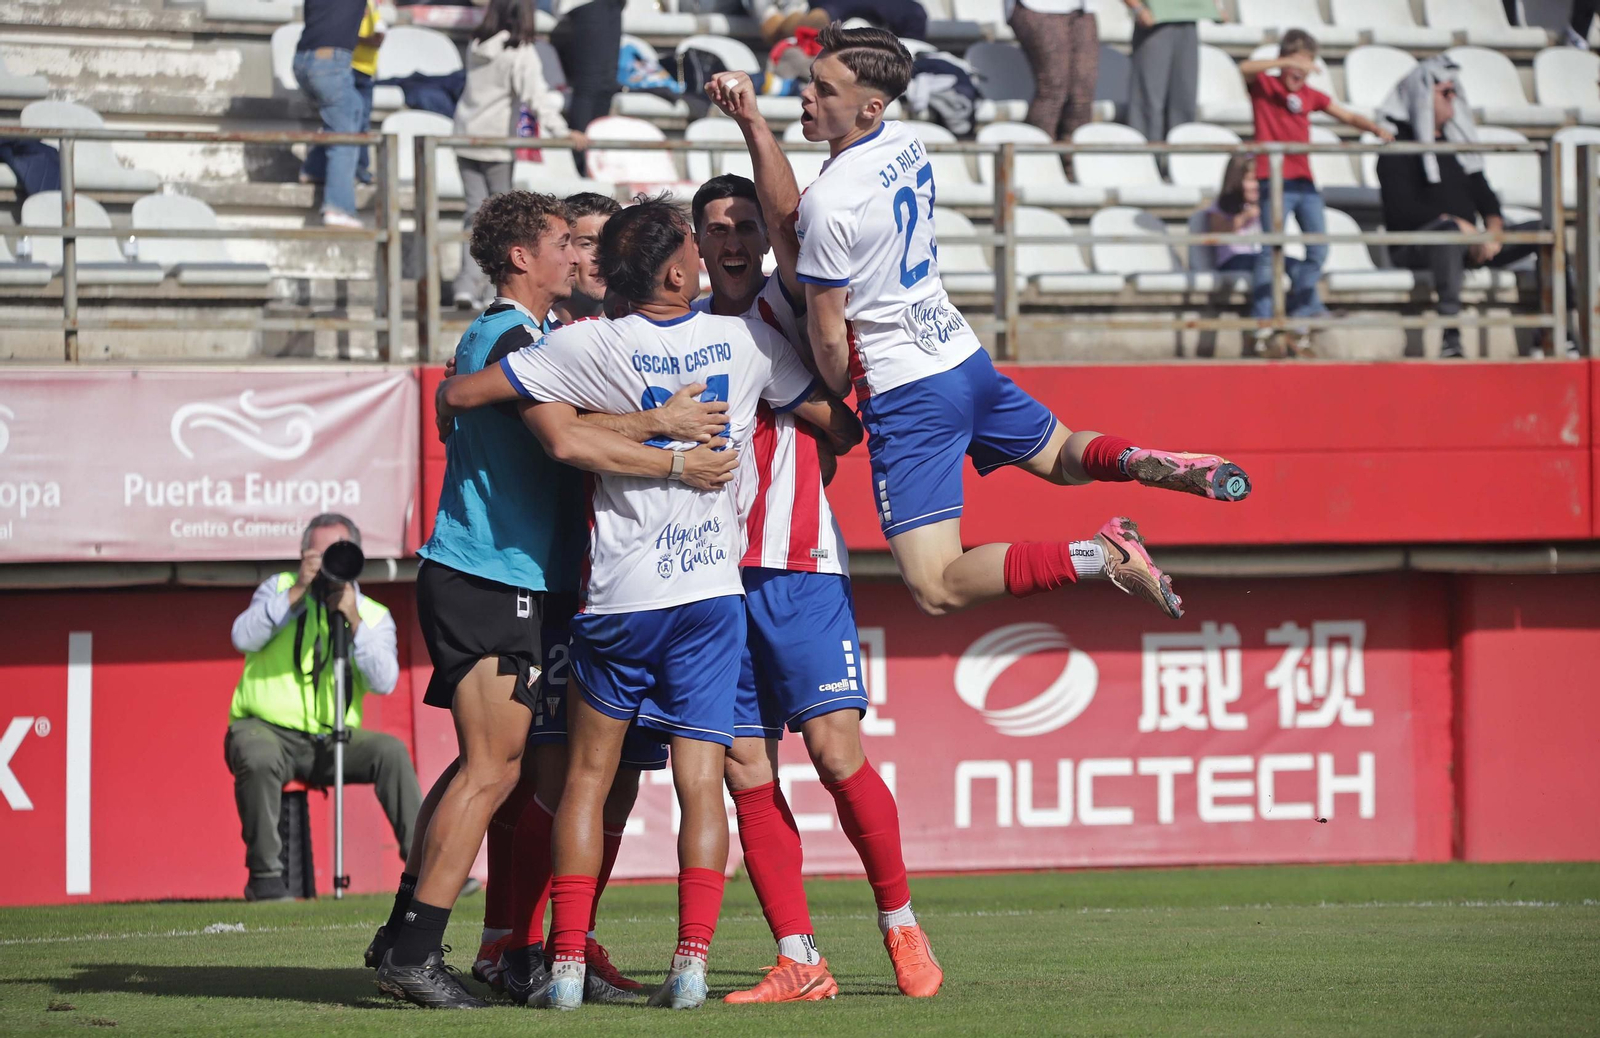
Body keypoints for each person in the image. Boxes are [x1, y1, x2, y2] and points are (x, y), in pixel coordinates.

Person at [433, 195, 858, 1011]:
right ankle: (690, 965)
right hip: (709, 595)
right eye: (694, 249)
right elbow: (834, 423)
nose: (703, 258)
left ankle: (563, 965)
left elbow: (463, 393)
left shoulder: (587, 343)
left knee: (586, 781)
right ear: (672, 271)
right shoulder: (745, 341)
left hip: (619, 598)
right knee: (703, 781)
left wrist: (587, 416)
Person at [370, 191, 736, 1009]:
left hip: (511, 577)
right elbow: (559, 434)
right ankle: (423, 950)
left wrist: (643, 421)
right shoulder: (510, 335)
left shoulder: (530, 338)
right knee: (494, 769)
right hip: (492, 575)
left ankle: (409, 936)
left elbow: (504, 407)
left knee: (496, 768)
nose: (579, 255)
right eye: (565, 242)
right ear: (522, 258)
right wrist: (668, 439)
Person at [793, 23, 1249, 622]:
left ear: (870, 107)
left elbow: (829, 335)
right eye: (811, 81)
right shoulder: (904, 141)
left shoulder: (829, 203)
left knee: (937, 586)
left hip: (906, 388)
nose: (806, 95)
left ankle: (1099, 555)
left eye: (825, 89)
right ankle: (1138, 460)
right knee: (1062, 459)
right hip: (960, 356)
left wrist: (833, 390)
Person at [699, 68, 943, 1001]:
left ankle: (901, 924)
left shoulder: (788, 308)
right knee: (746, 772)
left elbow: (845, 427)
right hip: (704, 580)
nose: (733, 239)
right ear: (693, 244)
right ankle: (800, 958)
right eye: (715, 228)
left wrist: (754, 125)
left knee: (838, 756)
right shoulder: (672, 331)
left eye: (745, 226)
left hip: (798, 567)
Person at [225, 513, 419, 903]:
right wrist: (297, 591)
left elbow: (384, 682)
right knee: (257, 755)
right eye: (319, 554)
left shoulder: (372, 614)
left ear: (356, 557)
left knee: (391, 752)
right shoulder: (279, 588)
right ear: (302, 556)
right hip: (267, 730)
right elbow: (242, 637)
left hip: (334, 740)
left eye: (338, 552)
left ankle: (426, 868)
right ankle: (265, 878)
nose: (329, 562)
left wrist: (354, 620)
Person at [1375, 57, 1581, 360]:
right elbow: (1402, 213)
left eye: (1454, 91)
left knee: (1545, 230)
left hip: (1469, 243)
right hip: (1419, 245)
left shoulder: (1458, 146)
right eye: (1445, 92)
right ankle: (1451, 338)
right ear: (1421, 97)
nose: (1453, 98)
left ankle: (1556, 333)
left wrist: (1493, 230)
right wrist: (1461, 229)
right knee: (1447, 235)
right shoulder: (1397, 148)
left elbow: (1485, 197)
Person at [1239, 30, 1392, 357]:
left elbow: (1345, 115)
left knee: (1318, 248)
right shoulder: (1266, 85)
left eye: (1307, 64)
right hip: (1273, 179)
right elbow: (1245, 69)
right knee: (1270, 251)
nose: (1301, 71)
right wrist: (1284, 61)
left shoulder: (1310, 95)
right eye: (1296, 63)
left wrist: (1374, 128)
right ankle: (1263, 322)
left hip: (1304, 181)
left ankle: (1300, 308)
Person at [452, 0, 579, 310]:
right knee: (501, 224)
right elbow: (536, 97)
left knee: (474, 213)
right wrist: (563, 132)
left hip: (464, 135)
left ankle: (466, 285)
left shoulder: (477, 44)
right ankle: (491, 287)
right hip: (496, 142)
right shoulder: (520, 52)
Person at [293, 0, 370, 228]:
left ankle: (316, 168)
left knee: (353, 107)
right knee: (345, 130)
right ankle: (338, 207)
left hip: (303, 59)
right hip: (330, 62)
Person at [300, 0, 383, 189]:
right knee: (348, 119)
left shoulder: (371, 5)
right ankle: (344, 183)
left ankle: (317, 168)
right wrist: (369, 40)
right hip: (348, 66)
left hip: (366, 69)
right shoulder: (345, 7)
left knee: (353, 117)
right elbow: (344, 32)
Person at [1008, 0, 1099, 150]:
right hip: (1037, 6)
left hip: (1082, 8)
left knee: (1082, 92)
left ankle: (1073, 160)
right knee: (1053, 88)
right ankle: (1036, 156)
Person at [1123, 0, 1217, 145]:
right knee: (1149, 101)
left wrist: (1214, 7)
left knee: (1184, 99)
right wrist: (1138, 8)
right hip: (1154, 22)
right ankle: (1146, 155)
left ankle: (1181, 154)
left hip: (1188, 18)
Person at [550, 0, 623, 177]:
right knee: (590, 83)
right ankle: (580, 159)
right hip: (587, 5)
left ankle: (594, 160)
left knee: (606, 86)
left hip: (612, 5)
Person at [1203, 153, 1262, 275]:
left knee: (1295, 265)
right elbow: (1216, 233)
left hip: (1259, 257)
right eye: (1251, 180)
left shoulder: (1263, 205)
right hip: (1233, 261)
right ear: (1236, 180)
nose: (1256, 185)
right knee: (1266, 264)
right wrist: (1245, 217)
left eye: (1259, 180)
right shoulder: (1220, 206)